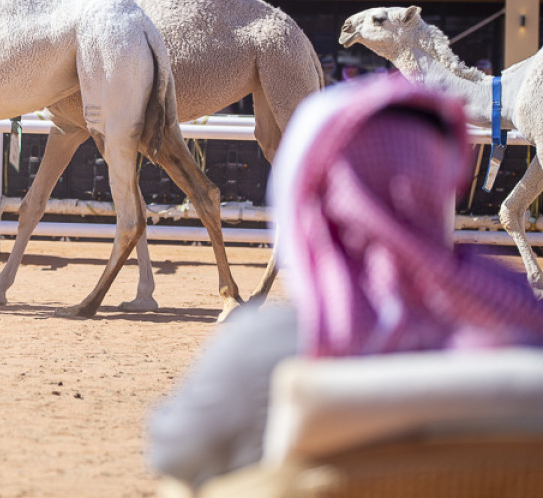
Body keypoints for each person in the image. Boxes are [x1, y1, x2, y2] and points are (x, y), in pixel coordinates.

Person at [149, 76, 543, 490]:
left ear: (305, 193)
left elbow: (173, 455)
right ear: (440, 182)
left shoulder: (268, 349)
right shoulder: (523, 320)